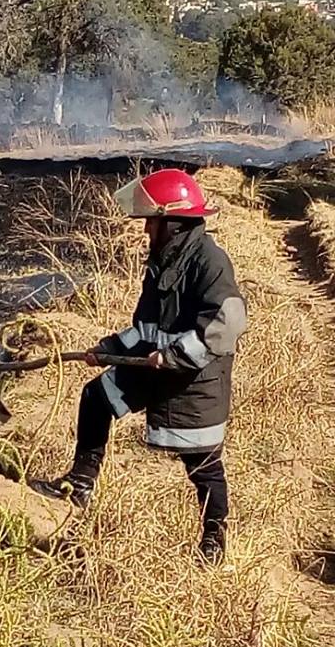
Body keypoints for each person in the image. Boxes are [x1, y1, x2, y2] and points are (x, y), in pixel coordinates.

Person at [30, 169, 248, 563]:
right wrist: (108, 347)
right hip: (153, 369)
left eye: (152, 221)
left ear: (173, 222)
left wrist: (175, 356)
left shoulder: (209, 261)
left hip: (193, 380)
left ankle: (214, 539)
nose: (146, 229)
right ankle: (80, 484)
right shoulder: (163, 259)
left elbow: (227, 322)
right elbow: (147, 328)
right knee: (97, 396)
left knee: (203, 464)